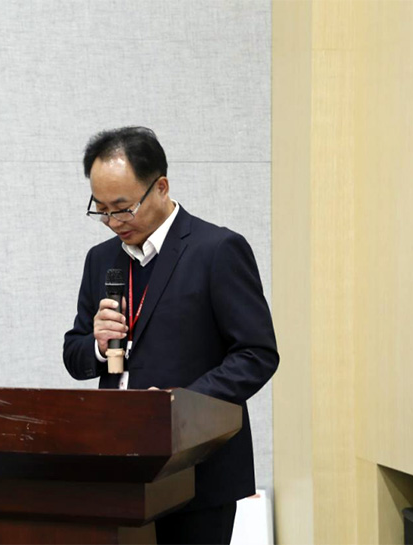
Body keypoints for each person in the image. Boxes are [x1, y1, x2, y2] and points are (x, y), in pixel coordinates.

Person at [63, 126, 279, 545]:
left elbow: (257, 354)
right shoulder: (100, 259)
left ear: (160, 187)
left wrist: (180, 406)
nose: (113, 222)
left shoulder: (217, 249)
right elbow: (74, 354)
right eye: (101, 209)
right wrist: (97, 345)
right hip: (119, 469)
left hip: (199, 470)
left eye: (123, 208)